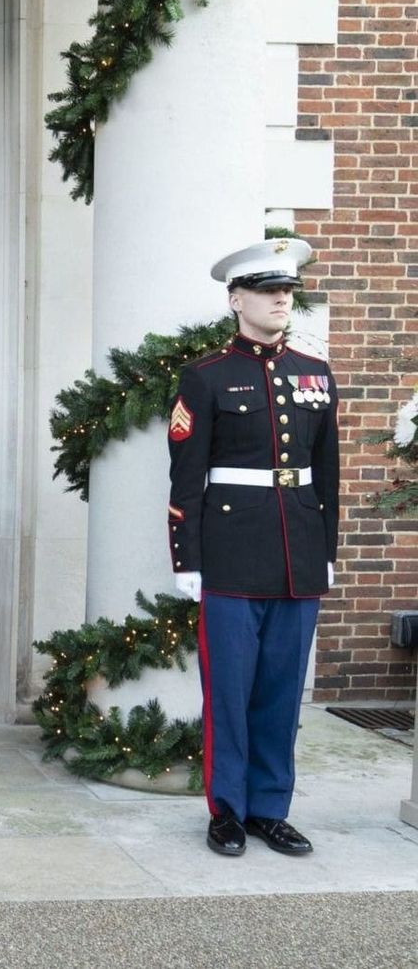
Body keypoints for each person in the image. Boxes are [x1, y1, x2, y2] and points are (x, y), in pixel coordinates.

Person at [167, 237, 338, 858]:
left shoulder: (315, 374)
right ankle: (228, 811)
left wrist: (329, 550)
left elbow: (328, 471)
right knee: (231, 693)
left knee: (281, 690)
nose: (280, 301)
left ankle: (272, 808)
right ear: (236, 299)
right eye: (268, 291)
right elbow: (187, 475)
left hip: (297, 555)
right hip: (231, 555)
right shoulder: (207, 377)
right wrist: (187, 558)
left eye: (287, 291)